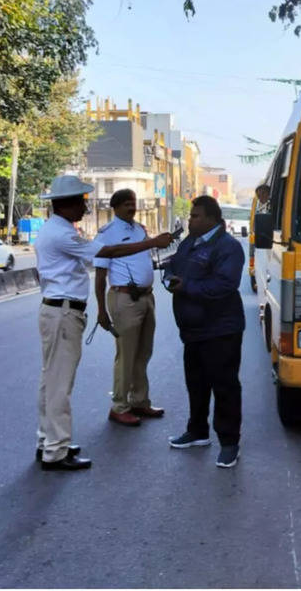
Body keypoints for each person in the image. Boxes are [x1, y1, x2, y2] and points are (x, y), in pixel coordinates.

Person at [34, 175, 173, 471]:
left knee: (51, 381)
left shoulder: (57, 229)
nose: (85, 208)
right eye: (82, 202)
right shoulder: (62, 234)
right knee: (59, 384)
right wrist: (151, 243)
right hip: (63, 313)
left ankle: (48, 441)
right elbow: (106, 253)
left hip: (59, 311)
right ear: (67, 204)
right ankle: (55, 452)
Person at [163, 196, 246, 469]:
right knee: (196, 385)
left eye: (196, 216)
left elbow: (224, 285)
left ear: (212, 218)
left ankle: (229, 443)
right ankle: (197, 432)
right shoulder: (190, 242)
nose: (190, 220)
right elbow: (174, 265)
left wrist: (185, 286)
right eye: (191, 216)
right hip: (193, 330)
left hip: (221, 330)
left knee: (225, 387)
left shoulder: (228, 247)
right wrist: (169, 278)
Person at [93, 189, 164, 427]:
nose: (131, 207)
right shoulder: (106, 234)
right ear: (115, 207)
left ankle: (140, 400)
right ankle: (119, 406)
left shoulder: (140, 229)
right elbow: (100, 275)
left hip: (146, 297)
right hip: (124, 299)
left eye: (133, 203)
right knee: (125, 355)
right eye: (126, 204)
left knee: (143, 353)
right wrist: (101, 310)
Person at [252, 183, 271, 316]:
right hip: (262, 247)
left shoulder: (271, 207)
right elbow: (254, 227)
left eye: (262, 194)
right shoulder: (260, 207)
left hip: (269, 247)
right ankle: (262, 305)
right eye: (258, 196)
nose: (260, 198)